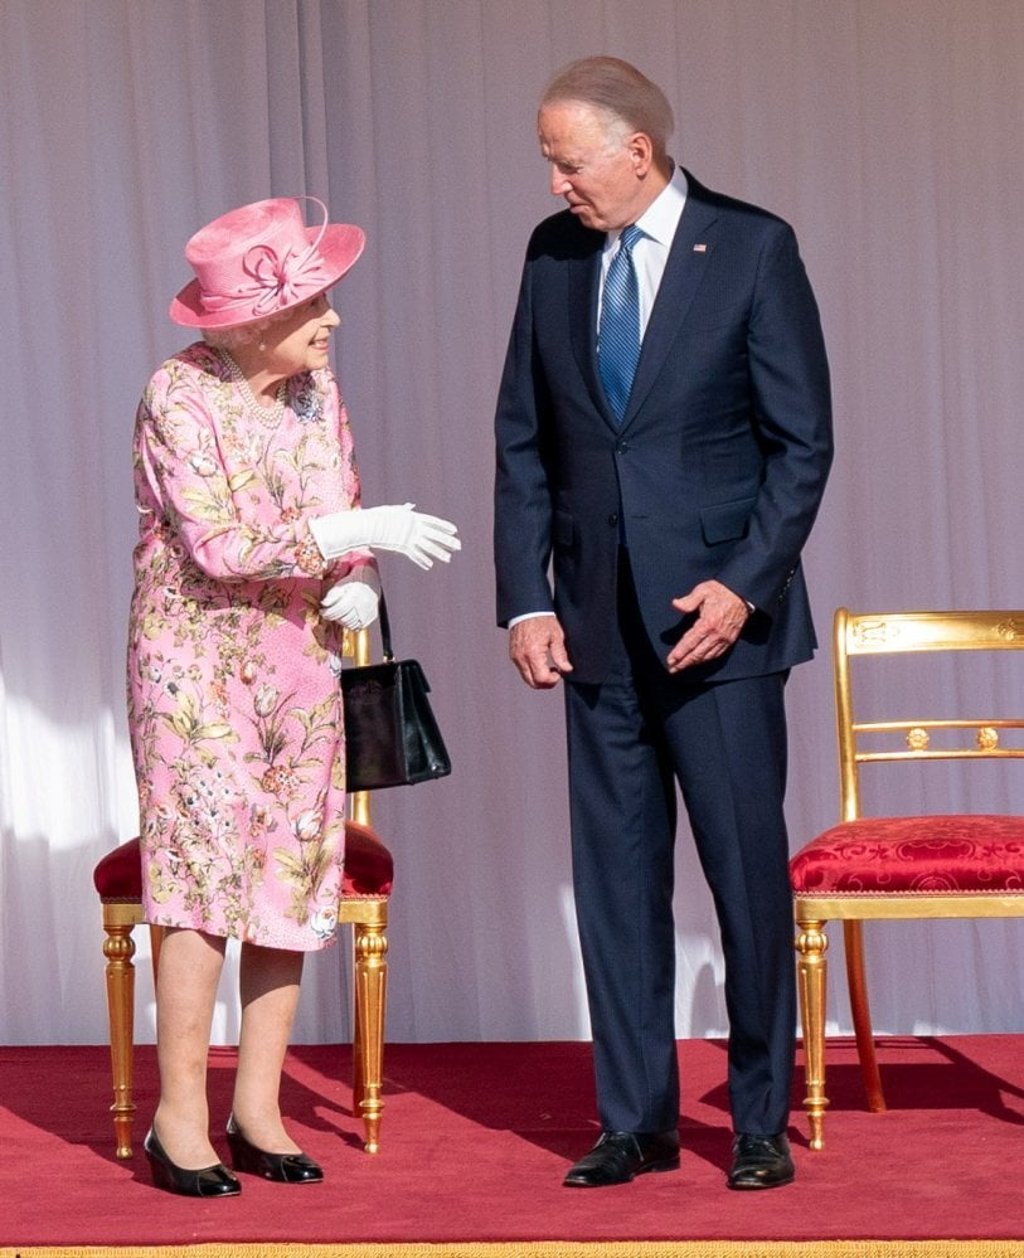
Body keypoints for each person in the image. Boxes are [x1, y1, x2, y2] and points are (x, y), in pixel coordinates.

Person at [493, 57, 832, 1191]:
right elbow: (523, 441)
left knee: (744, 878)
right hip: (592, 626)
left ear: (636, 150)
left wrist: (743, 584)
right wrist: (527, 594)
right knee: (617, 884)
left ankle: (754, 1120)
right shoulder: (552, 257)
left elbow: (801, 445)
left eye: (567, 158)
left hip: (719, 635)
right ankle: (632, 1120)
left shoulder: (751, 247)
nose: (553, 180)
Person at [127, 196, 460, 1196]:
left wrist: (359, 566)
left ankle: (257, 1107)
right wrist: (349, 531)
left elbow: (337, 495)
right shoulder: (176, 398)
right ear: (254, 317)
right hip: (194, 664)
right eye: (316, 302)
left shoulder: (318, 389)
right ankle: (178, 1117)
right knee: (196, 877)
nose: (333, 320)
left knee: (288, 873)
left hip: (299, 659)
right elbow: (220, 545)